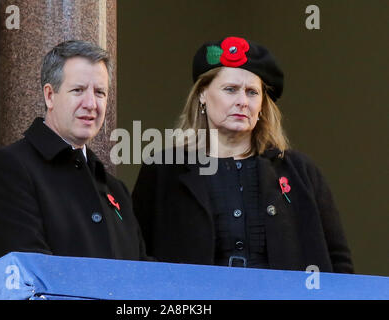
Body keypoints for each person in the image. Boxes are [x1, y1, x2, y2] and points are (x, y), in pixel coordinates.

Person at [132, 36, 354, 273]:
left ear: (262, 105)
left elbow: (338, 261)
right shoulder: (164, 168)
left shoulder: (300, 172)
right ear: (202, 95)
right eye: (231, 90)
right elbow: (135, 253)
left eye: (252, 92)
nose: (242, 102)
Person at [0, 40, 148, 266]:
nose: (91, 104)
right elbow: (30, 271)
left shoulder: (116, 189)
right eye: (78, 90)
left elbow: (140, 270)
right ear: (50, 95)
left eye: (100, 92)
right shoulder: (9, 168)